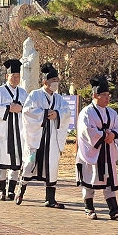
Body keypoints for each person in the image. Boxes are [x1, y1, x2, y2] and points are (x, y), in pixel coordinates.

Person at [19, 63, 71, 209]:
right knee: (30, 163)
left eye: (57, 80)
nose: (55, 83)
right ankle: (21, 189)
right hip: (37, 137)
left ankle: (50, 199)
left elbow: (67, 112)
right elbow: (27, 111)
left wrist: (57, 114)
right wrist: (45, 114)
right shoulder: (35, 95)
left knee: (52, 166)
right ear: (45, 82)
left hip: (52, 138)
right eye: (53, 80)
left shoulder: (59, 98)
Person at [76, 76, 118, 220]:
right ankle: (89, 207)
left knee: (108, 179)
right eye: (104, 95)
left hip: (107, 152)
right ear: (95, 95)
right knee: (90, 178)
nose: (107, 98)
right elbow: (86, 130)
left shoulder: (111, 112)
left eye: (108, 95)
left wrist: (113, 135)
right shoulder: (86, 112)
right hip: (92, 152)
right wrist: (103, 135)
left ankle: (113, 209)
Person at [0, 58, 28, 202]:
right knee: (2, 161)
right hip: (4, 132)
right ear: (7, 76)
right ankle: (1, 190)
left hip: (18, 132)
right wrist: (8, 108)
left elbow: (29, 109)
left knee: (16, 162)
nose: (15, 78)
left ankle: (11, 190)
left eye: (17, 76)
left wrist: (21, 108)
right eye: (13, 75)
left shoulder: (23, 93)